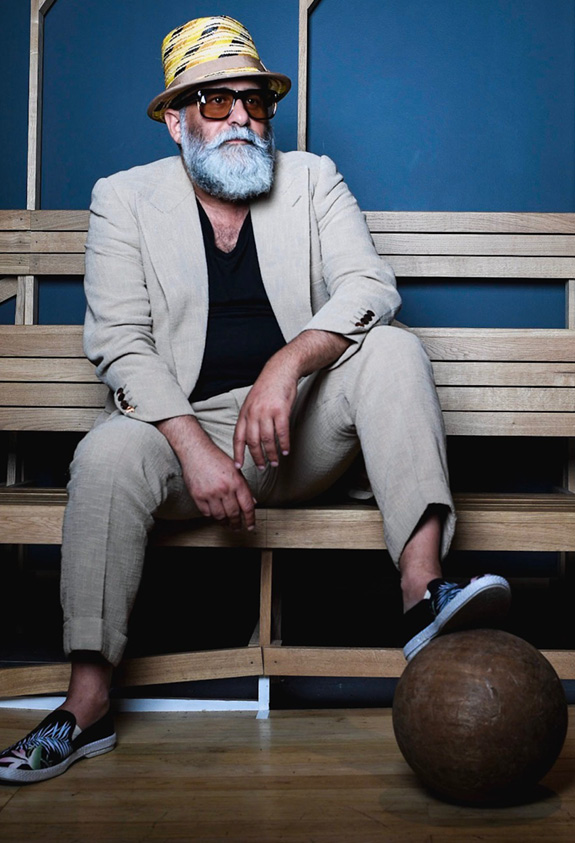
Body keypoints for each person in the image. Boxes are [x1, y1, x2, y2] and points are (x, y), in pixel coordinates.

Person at [0, 15, 511, 784]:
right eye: (216, 101)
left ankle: (421, 591)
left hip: (301, 430)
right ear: (176, 120)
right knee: (105, 450)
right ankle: (87, 703)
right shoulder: (123, 198)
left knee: (394, 347)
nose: (241, 116)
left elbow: (370, 286)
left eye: (256, 101)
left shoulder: (311, 178)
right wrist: (193, 448)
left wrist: (287, 363)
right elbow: (120, 343)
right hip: (183, 434)